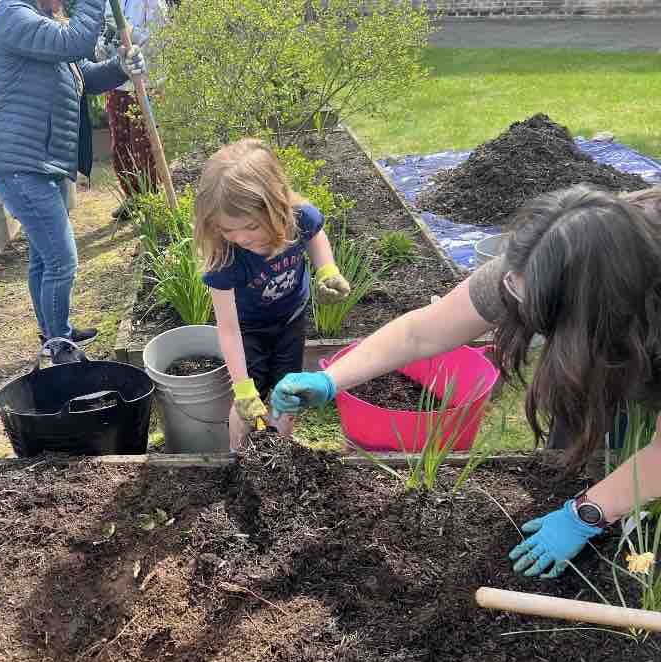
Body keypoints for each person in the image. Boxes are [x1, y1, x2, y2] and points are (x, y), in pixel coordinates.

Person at [270, 183, 661, 578]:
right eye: (514, 287)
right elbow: (421, 333)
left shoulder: (619, 294)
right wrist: (331, 379)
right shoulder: (550, 255)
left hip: (640, 332)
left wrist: (587, 513)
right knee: (579, 432)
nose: (516, 304)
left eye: (537, 307)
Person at [0, 0, 147, 364]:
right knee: (62, 260)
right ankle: (60, 347)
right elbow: (75, 41)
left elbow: (86, 76)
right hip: (20, 164)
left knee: (44, 259)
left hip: (43, 162)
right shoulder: (12, 14)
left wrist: (121, 66)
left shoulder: (43, 24)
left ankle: (55, 332)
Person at [194, 139, 351, 451]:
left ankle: (281, 455)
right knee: (245, 404)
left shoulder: (299, 218)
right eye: (227, 230)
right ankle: (236, 456)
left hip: (290, 319)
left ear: (277, 206)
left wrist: (327, 270)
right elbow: (227, 328)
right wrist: (242, 389)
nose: (240, 238)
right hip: (247, 331)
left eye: (251, 226)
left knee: (287, 393)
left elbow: (316, 236)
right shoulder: (225, 258)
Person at [98, 0, 168, 219]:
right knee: (120, 144)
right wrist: (103, 48)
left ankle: (153, 203)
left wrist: (131, 32)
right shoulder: (112, 3)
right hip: (117, 82)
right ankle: (133, 197)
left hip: (145, 83)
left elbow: (160, 41)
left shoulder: (153, 4)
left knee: (143, 145)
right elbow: (104, 35)